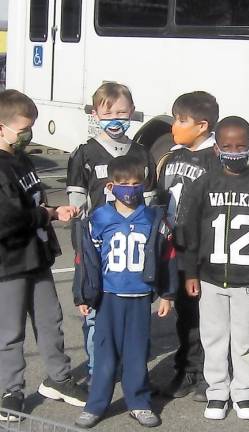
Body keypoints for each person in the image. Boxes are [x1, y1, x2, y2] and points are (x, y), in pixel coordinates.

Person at [178, 116, 249, 421]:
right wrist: (190, 272)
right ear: (216, 147)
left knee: (244, 339)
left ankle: (243, 392)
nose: (234, 151)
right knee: (213, 337)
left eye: (241, 146)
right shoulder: (203, 185)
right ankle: (216, 392)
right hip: (210, 276)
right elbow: (188, 232)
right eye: (227, 145)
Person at [0, 89, 87, 421]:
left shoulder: (22, 159)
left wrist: (52, 209)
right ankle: (11, 390)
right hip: (9, 263)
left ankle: (59, 378)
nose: (28, 135)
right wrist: (48, 215)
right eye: (22, 129)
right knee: (10, 332)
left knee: (51, 319)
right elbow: (8, 218)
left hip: (37, 258)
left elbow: (32, 203)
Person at [73, 155, 176, 429]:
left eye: (135, 183)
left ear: (144, 184)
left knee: (136, 352)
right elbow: (86, 258)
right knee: (104, 354)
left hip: (140, 296)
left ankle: (139, 402)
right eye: (124, 183)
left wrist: (167, 294)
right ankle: (96, 404)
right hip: (108, 296)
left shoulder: (154, 218)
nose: (130, 189)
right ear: (111, 185)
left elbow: (166, 257)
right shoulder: (99, 217)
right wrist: (83, 295)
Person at [66, 82, 157, 383]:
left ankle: (132, 367)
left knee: (133, 311)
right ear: (95, 114)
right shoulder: (84, 154)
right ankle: (97, 368)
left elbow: (152, 202)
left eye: (122, 112)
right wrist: (82, 243)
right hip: (97, 247)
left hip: (132, 248)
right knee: (95, 309)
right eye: (108, 113)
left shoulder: (143, 154)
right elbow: (77, 203)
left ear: (132, 112)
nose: (116, 119)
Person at [156, 91, 220, 401]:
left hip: (203, 253)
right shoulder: (173, 155)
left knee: (208, 316)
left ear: (203, 126)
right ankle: (188, 369)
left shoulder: (216, 160)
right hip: (175, 250)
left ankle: (212, 373)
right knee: (186, 315)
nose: (174, 126)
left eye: (182, 121)